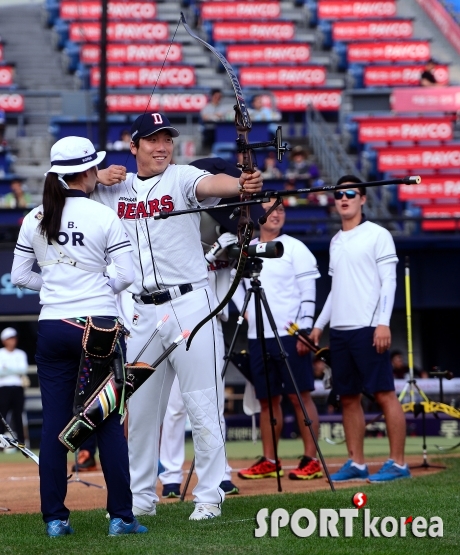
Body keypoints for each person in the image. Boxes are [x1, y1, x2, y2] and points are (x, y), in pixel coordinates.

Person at [92, 112, 263, 520]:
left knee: (203, 403)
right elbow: (60, 186)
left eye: (166, 137)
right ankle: (139, 499)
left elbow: (211, 184)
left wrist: (242, 183)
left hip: (189, 303)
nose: (161, 145)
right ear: (133, 146)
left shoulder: (183, 176)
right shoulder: (116, 188)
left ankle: (208, 496)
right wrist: (97, 175)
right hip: (141, 312)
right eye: (151, 139)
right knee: (142, 412)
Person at [10, 136, 147, 537]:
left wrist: (55, 285)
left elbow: (20, 277)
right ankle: (121, 517)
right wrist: (97, 283)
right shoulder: (102, 216)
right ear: (88, 172)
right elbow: (125, 275)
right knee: (107, 422)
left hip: (53, 324)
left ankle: (55, 519)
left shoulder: (35, 216)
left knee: (55, 424)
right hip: (98, 325)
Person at [310, 175, 411, 483]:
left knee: (384, 394)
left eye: (350, 194)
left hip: (368, 328)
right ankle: (356, 463)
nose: (344, 198)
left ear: (363, 199)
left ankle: (399, 463)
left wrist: (383, 322)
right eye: (339, 194)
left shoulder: (378, 235)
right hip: (339, 332)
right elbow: (335, 289)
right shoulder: (336, 240)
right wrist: (318, 325)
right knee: (349, 397)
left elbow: (389, 282)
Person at [158, 159, 242, 499]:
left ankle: (220, 472)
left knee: (212, 397)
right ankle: (171, 475)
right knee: (176, 404)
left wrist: (230, 248)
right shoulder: (179, 218)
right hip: (177, 313)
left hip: (211, 315)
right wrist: (212, 253)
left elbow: (236, 265)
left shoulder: (229, 225)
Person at [233, 199, 323, 481]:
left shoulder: (296, 247)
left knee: (300, 397)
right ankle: (270, 460)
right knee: (267, 401)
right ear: (259, 213)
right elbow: (235, 282)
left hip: (289, 333)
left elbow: (308, 290)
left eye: (281, 210)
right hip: (258, 335)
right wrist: (246, 311)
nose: (276, 214)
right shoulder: (247, 248)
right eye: (270, 209)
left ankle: (312, 459)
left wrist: (305, 330)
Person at [0, 327, 28, 448]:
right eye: (9, 339)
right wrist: (13, 371)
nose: (13, 341)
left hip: (17, 388)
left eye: (14, 338)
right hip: (3, 389)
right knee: (2, 416)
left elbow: (23, 369)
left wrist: (7, 369)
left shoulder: (21, 353)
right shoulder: (1, 353)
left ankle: (21, 444)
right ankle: (1, 444)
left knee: (18, 416)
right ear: (4, 340)